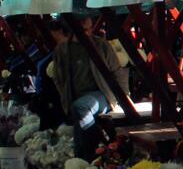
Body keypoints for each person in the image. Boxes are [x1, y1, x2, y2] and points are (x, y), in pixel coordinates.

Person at [47, 15, 129, 158]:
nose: (89, 32)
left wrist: (124, 98)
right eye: (85, 29)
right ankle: (87, 160)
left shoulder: (101, 45)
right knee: (78, 119)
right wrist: (65, 97)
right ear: (73, 30)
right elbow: (59, 79)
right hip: (76, 98)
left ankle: (91, 154)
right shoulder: (62, 50)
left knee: (80, 107)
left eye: (90, 29)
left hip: (102, 94)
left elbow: (117, 71)